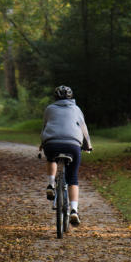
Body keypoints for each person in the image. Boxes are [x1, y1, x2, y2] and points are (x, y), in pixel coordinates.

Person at [39, 85, 92, 226]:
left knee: (51, 158)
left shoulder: (49, 109)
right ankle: (74, 210)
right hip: (73, 145)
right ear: (71, 97)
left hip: (51, 143)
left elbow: (45, 127)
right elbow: (84, 129)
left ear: (55, 98)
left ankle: (50, 185)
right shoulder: (76, 109)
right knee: (72, 178)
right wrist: (88, 146)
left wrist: (42, 143)